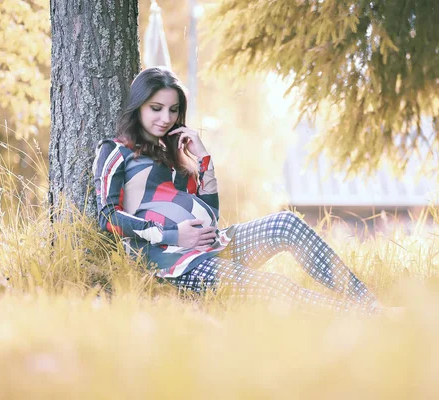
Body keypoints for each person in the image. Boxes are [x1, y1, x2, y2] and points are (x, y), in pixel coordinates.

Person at [93, 66, 384, 315]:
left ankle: (373, 307)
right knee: (274, 285)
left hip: (212, 247)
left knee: (287, 222)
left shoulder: (173, 152)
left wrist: (203, 159)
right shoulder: (116, 151)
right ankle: (363, 318)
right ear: (139, 106)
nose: (166, 118)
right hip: (173, 264)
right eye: (156, 108)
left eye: (173, 109)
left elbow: (210, 213)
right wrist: (173, 234)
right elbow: (107, 216)